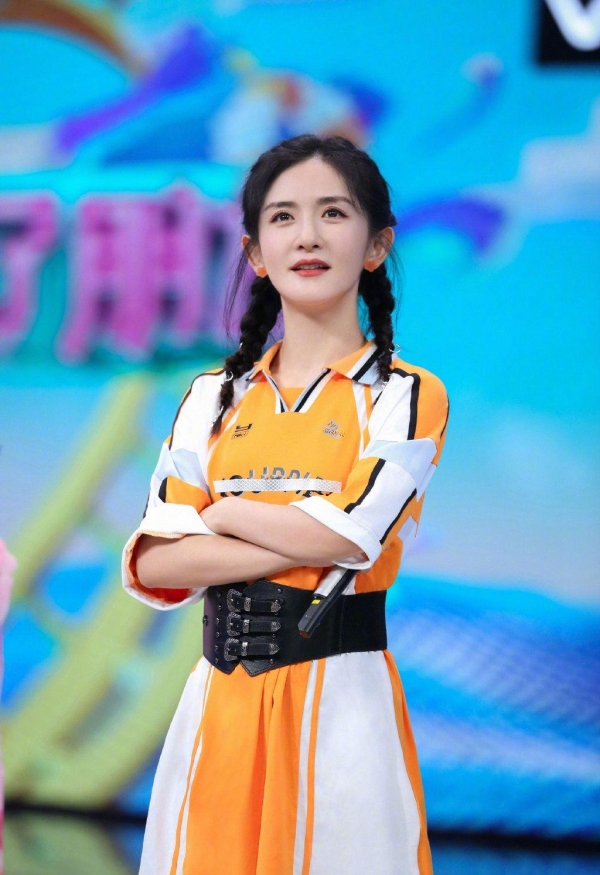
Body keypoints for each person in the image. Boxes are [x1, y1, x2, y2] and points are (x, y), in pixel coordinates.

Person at [121, 133, 450, 875]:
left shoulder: (405, 395)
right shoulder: (212, 396)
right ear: (256, 253)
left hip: (343, 702)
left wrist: (225, 512)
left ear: (377, 244)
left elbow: (353, 534)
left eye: (333, 213)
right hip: (217, 706)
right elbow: (158, 558)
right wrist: (302, 526)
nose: (307, 236)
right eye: (283, 217)